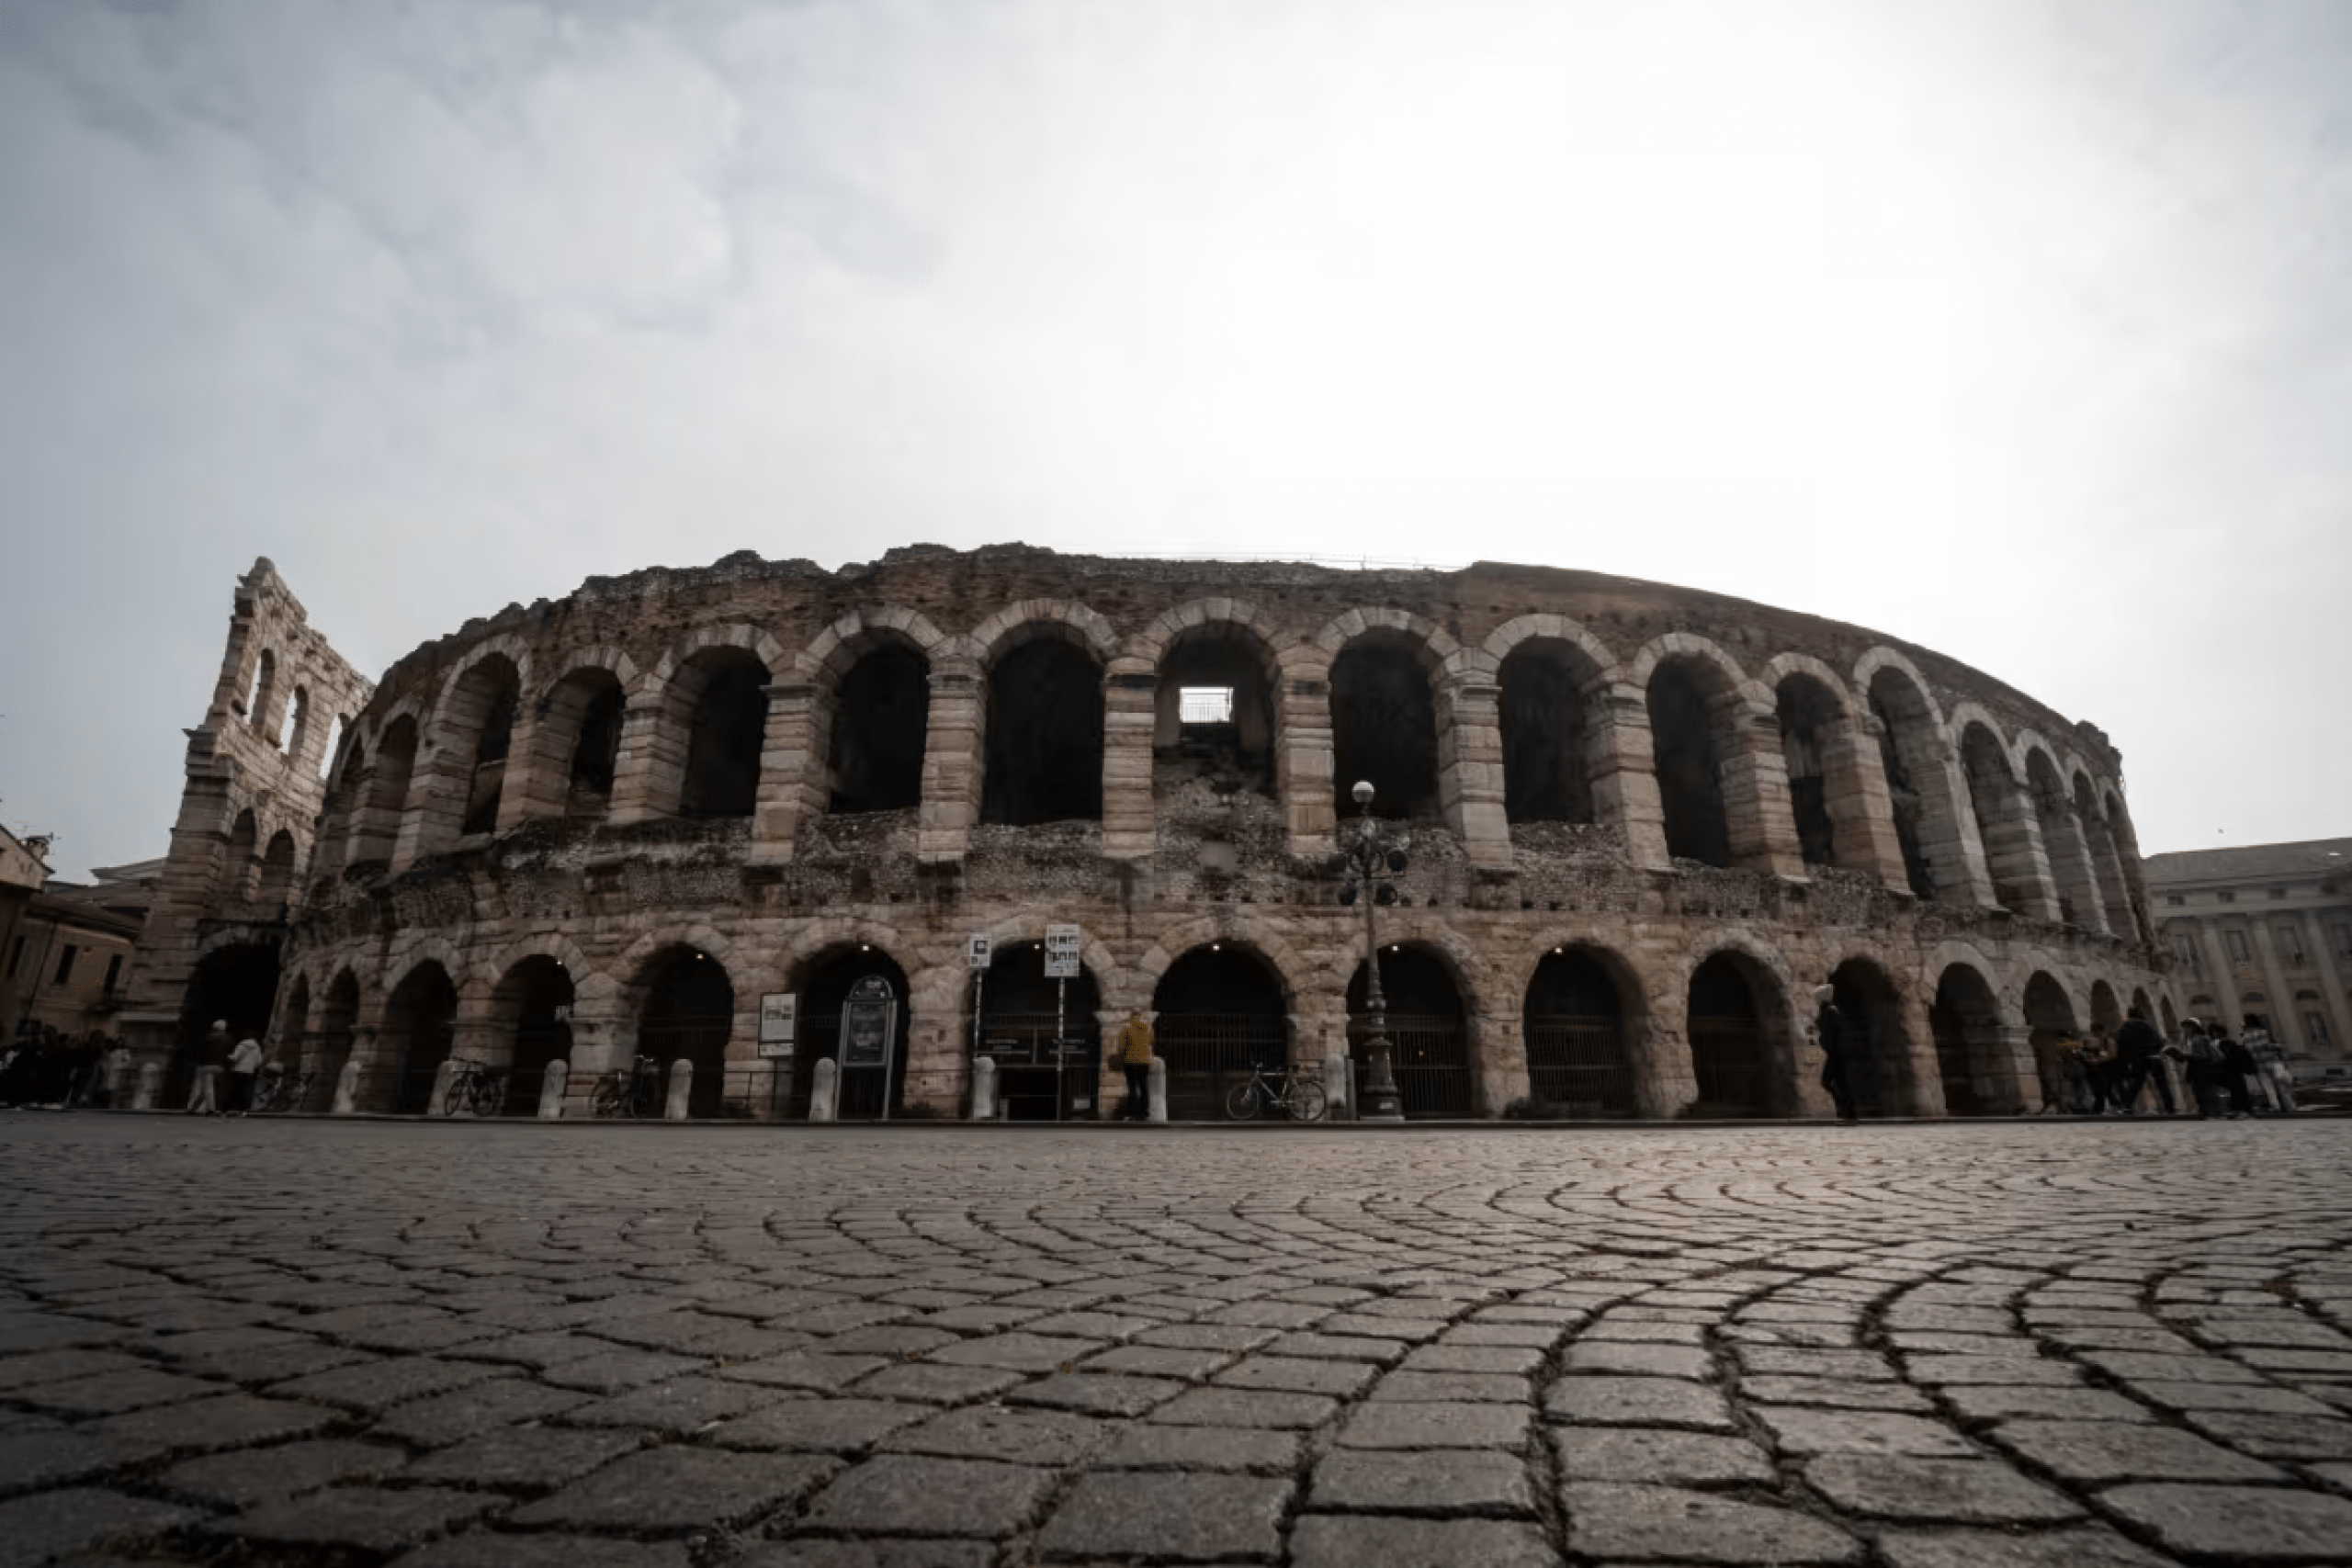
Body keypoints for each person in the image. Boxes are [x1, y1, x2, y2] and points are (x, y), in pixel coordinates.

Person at [2112, 1008, 2174, 1115]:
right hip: (2154, 1057)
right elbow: (2159, 1042)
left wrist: (2127, 1059)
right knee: (2162, 1083)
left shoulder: (2126, 1027)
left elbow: (2120, 1043)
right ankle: (2170, 1107)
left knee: (2136, 1084)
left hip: (2138, 1059)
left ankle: (2127, 1106)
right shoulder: (2149, 1026)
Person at [1813, 984, 1856, 1122]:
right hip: (1836, 1052)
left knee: (1828, 1081)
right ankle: (1847, 1111)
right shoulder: (1829, 1012)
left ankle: (1845, 1107)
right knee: (1840, 1082)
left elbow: (1830, 1034)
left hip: (1836, 1053)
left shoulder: (1831, 1012)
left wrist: (1825, 1044)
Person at [2243, 1018, 2296, 1114]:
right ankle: (2289, 1105)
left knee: (2268, 1087)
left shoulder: (2245, 1037)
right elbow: (2273, 1046)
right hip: (2273, 1061)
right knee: (2282, 1084)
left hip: (2258, 1064)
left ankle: (2275, 1106)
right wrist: (2280, 1052)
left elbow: (2247, 1052)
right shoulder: (2264, 1032)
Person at [1115, 1010, 1154, 1122]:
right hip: (1145, 1061)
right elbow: (1150, 1042)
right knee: (1144, 1087)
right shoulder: (1148, 1028)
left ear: (1131, 1016)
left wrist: (1119, 1057)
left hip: (1131, 1061)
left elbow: (1122, 1046)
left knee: (1132, 1087)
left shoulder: (1127, 1028)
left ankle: (1132, 1113)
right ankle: (1144, 1112)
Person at [2214, 1026, 2259, 1120]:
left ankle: (2242, 1111)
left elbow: (2225, 1057)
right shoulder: (2232, 1042)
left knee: (2237, 1092)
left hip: (2230, 1070)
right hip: (2235, 1070)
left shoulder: (2223, 1043)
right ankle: (2243, 1111)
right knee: (2238, 1091)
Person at [186, 1021, 227, 1115]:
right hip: (220, 1067)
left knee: (208, 1088)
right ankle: (193, 1108)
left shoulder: (209, 1038)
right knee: (205, 1091)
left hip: (208, 1066)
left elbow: (202, 1051)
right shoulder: (226, 1039)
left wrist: (197, 1062)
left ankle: (211, 1108)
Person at [226, 1031, 265, 1116]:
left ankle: (233, 1109)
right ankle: (244, 1110)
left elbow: (235, 1057)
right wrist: (251, 1065)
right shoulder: (257, 1047)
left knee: (236, 1090)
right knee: (246, 1090)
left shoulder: (242, 1045)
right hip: (249, 1071)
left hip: (238, 1070)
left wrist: (227, 1056)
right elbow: (259, 1061)